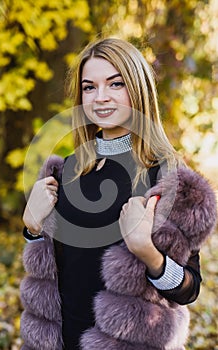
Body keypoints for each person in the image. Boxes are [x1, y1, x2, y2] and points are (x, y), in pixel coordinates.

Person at [20, 38, 217, 350]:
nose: (101, 98)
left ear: (137, 89)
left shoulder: (168, 179)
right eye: (89, 87)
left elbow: (188, 290)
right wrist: (32, 229)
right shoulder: (65, 172)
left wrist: (148, 254)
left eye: (115, 84)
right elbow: (54, 276)